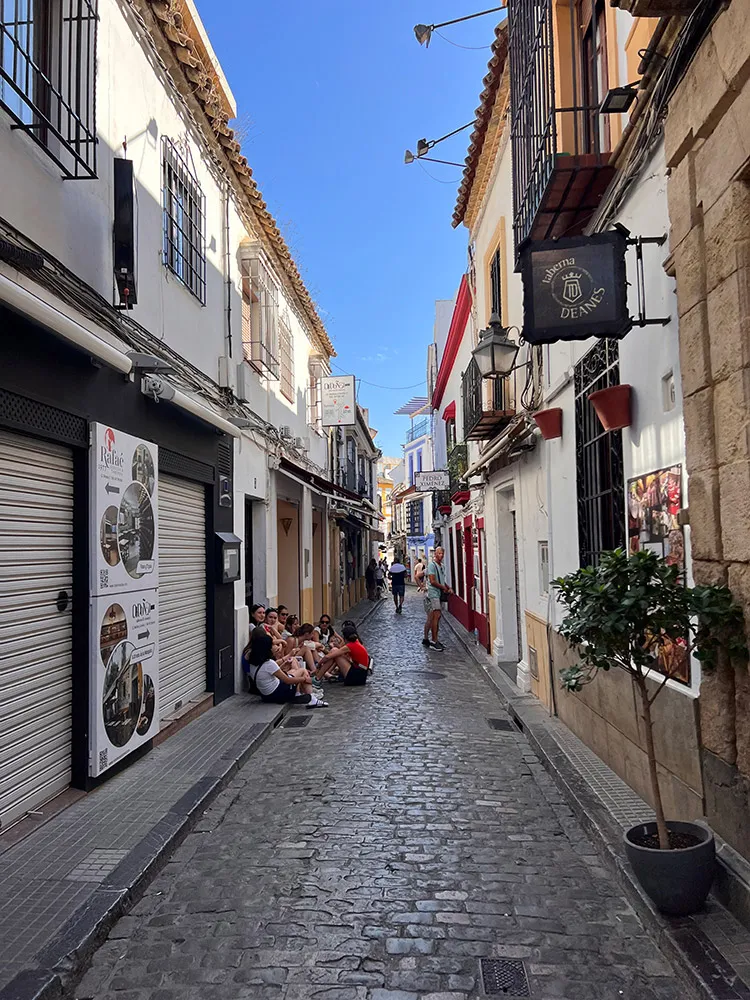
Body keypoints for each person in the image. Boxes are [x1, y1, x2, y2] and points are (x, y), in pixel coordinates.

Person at [242, 629, 327, 707]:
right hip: (278, 693)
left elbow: (273, 673)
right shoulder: (269, 663)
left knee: (293, 671)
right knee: (302, 671)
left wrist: (285, 664)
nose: (274, 648)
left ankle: (299, 694)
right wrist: (304, 679)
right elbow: (287, 680)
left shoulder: (253, 663)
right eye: (272, 646)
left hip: (266, 695)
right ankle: (311, 698)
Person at [423, 546, 452, 652]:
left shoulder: (442, 566)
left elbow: (441, 580)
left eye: (442, 553)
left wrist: (448, 587)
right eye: (439, 553)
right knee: (436, 616)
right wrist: (444, 588)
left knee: (436, 617)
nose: (441, 555)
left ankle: (433, 639)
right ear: (435, 554)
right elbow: (432, 581)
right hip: (433, 594)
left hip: (438, 594)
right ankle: (434, 641)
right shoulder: (431, 565)